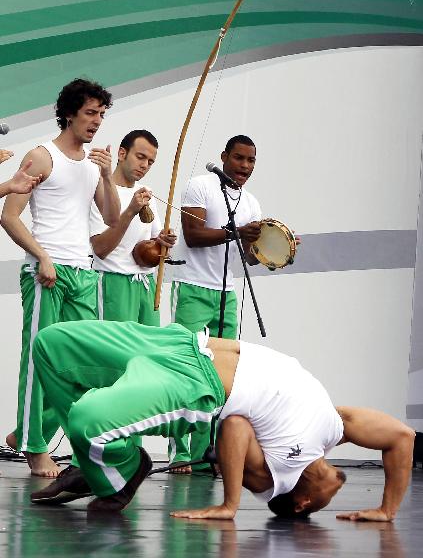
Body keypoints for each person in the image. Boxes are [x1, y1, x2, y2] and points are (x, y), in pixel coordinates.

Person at [29, 320, 414, 522]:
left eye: (332, 498)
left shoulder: (277, 475)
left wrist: (229, 504)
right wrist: (387, 510)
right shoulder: (333, 429)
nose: (339, 486)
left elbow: (235, 428)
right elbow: (401, 436)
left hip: (194, 382)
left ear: (304, 503)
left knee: (87, 422)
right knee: (51, 343)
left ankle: (118, 473)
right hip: (183, 343)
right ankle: (90, 463)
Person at [1, 78, 121, 478]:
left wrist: (106, 176)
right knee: (39, 362)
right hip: (46, 273)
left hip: (84, 273)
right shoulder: (41, 155)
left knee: (83, 368)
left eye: (102, 114)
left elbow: (111, 218)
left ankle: (28, 433)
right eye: (90, 113)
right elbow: (9, 215)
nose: (97, 121)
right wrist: (41, 256)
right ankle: (36, 449)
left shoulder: (93, 164)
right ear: (69, 113)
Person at [169, 134, 263, 472]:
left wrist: (279, 253)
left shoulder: (251, 202)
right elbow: (193, 237)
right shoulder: (202, 185)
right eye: (239, 158)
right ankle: (181, 453)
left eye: (251, 161)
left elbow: (250, 259)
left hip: (227, 292)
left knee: (223, 376)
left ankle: (209, 452)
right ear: (224, 156)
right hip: (193, 287)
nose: (245, 166)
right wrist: (238, 232)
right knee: (187, 369)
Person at [90, 129, 176, 325]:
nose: (144, 165)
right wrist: (130, 211)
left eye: (150, 161)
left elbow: (155, 241)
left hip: (146, 283)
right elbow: (101, 249)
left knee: (150, 349)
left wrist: (163, 243)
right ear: (122, 154)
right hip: (113, 281)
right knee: (116, 352)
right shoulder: (101, 190)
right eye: (140, 157)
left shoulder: (146, 193)